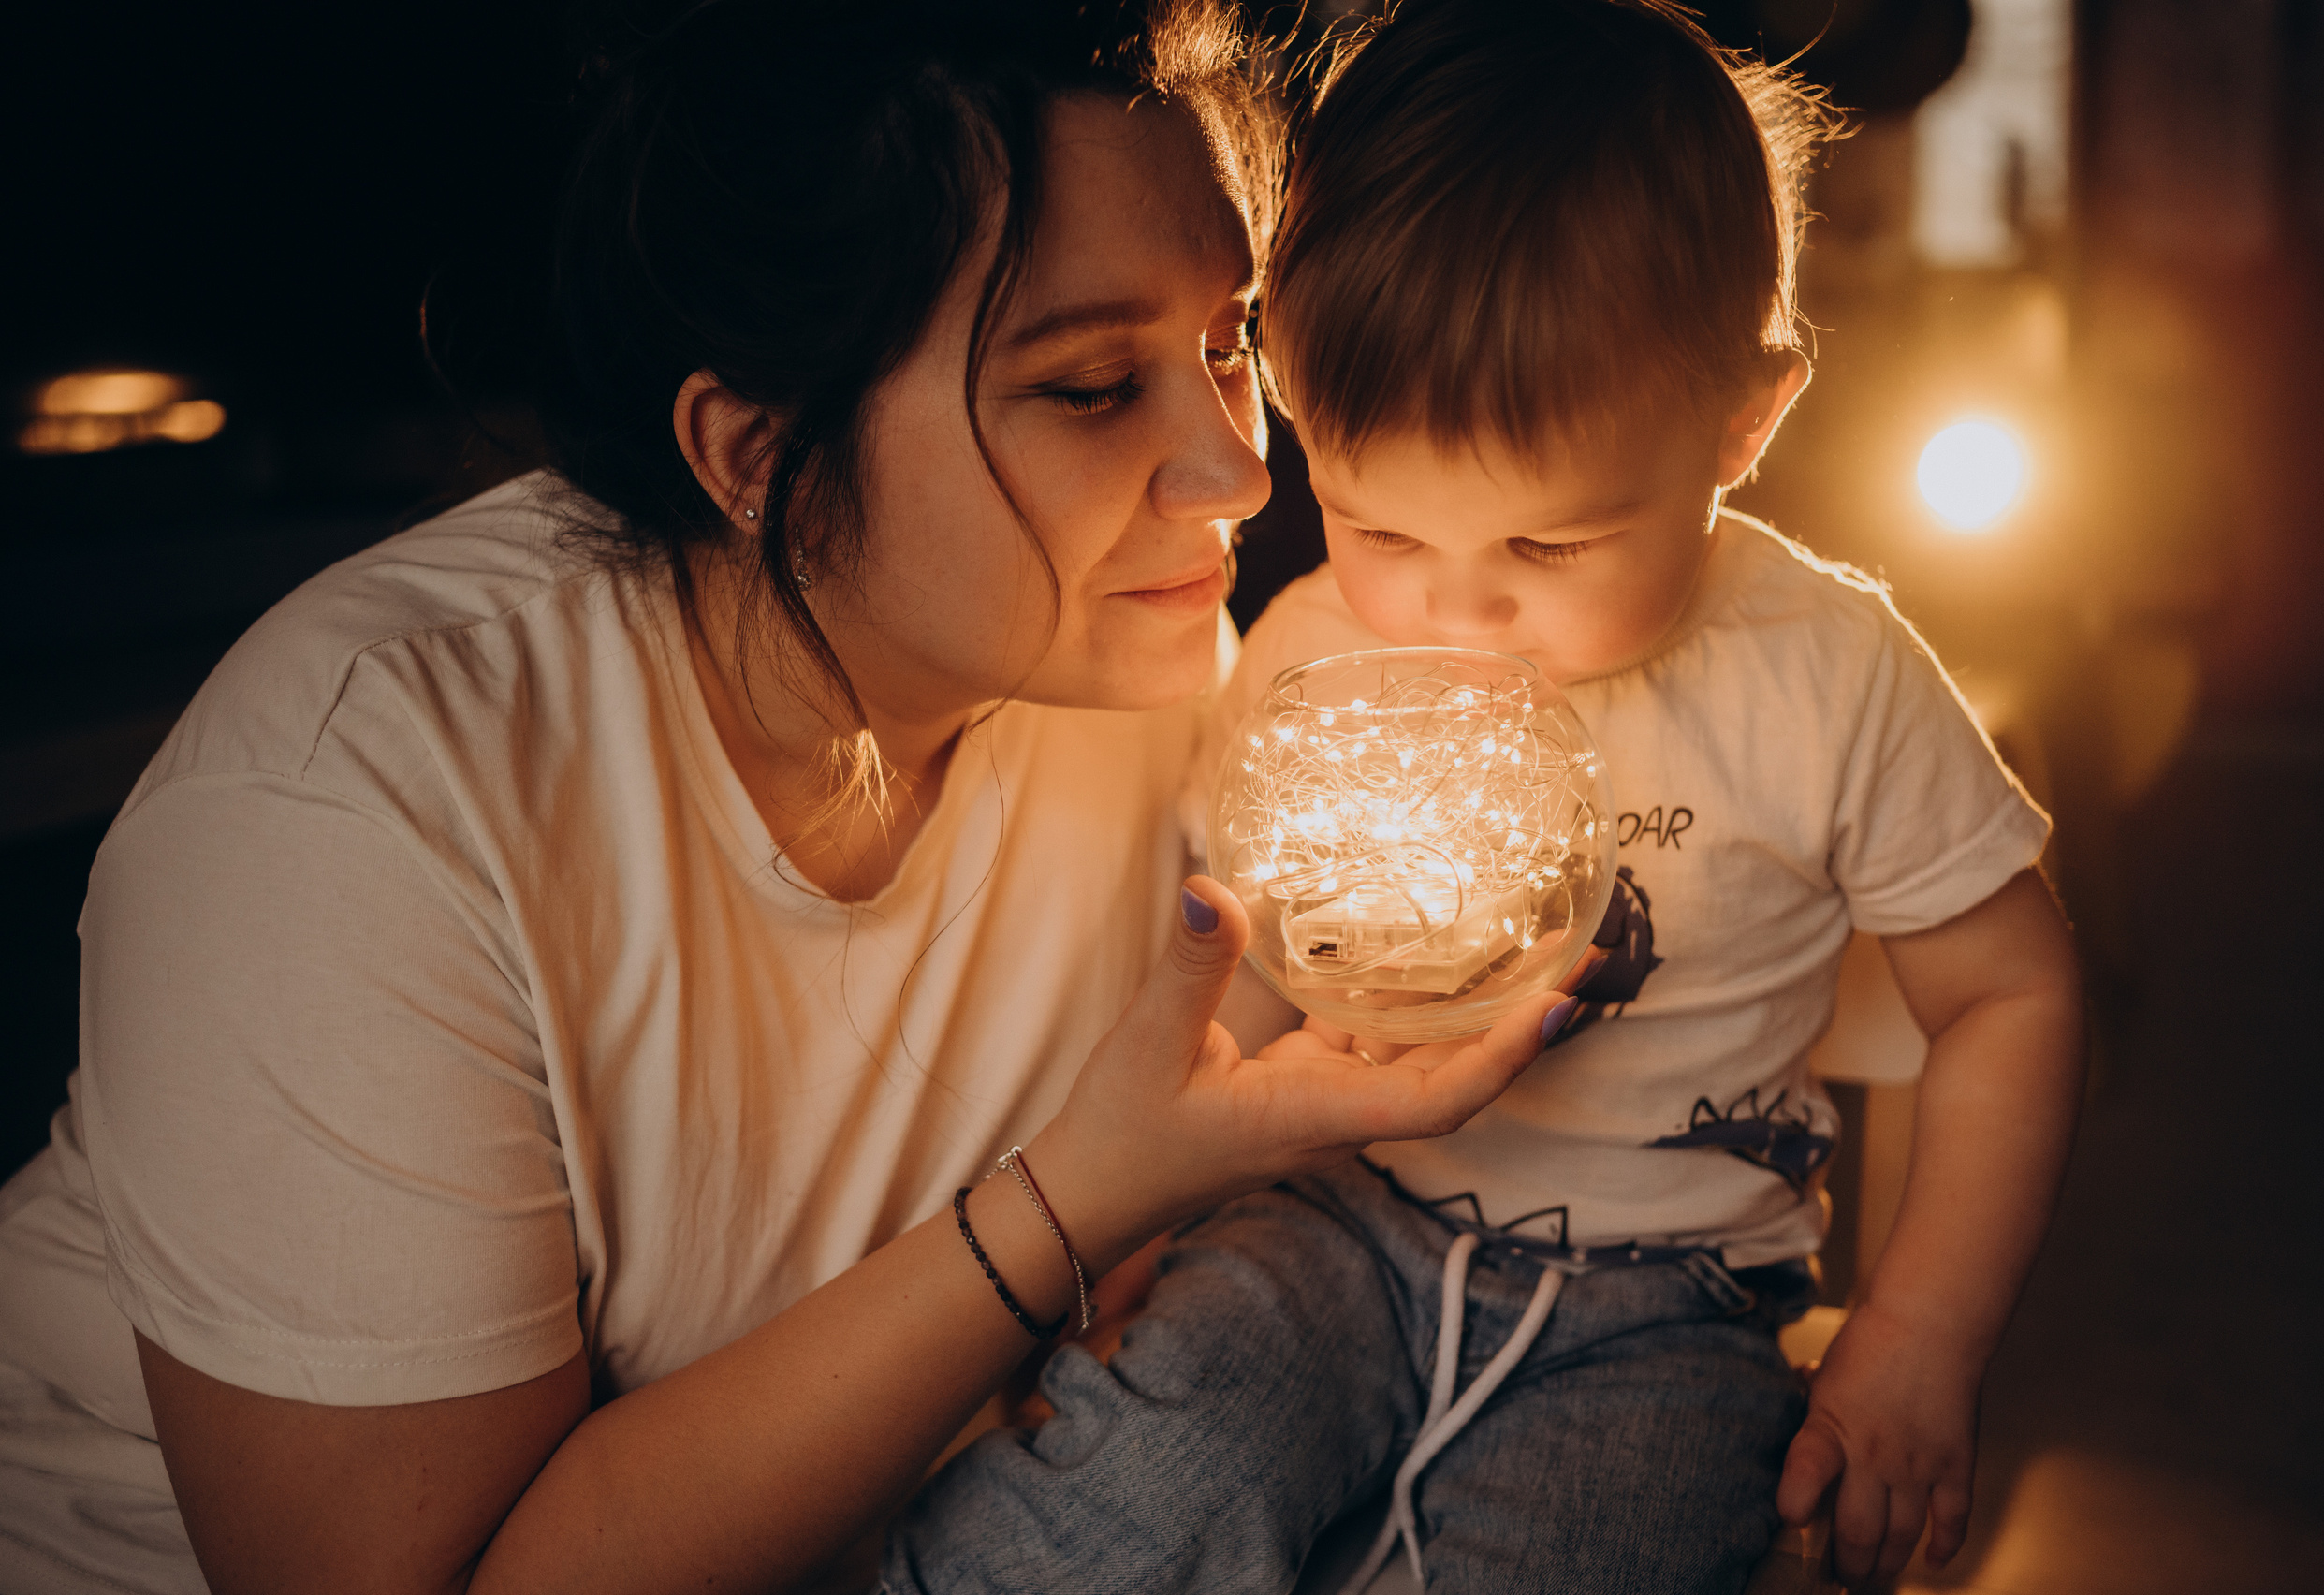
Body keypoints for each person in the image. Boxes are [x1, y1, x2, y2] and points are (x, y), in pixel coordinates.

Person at [0, 5, 1586, 1592]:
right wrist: (1085, 1198)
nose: (1242, 469)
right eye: (1097, 384)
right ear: (759, 455)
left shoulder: (1148, 668)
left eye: (1229, 346)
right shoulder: (349, 815)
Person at [885, 3, 2087, 1592]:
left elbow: (2010, 990)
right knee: (1135, 1484)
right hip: (1330, 1225)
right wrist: (1147, 1205)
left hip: (1664, 1308)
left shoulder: (1829, 676)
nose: (1452, 612)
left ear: (1742, 418)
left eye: (1549, 544)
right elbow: (1257, 957)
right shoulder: (1312, 652)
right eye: (1380, 526)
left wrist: (1922, 1335)